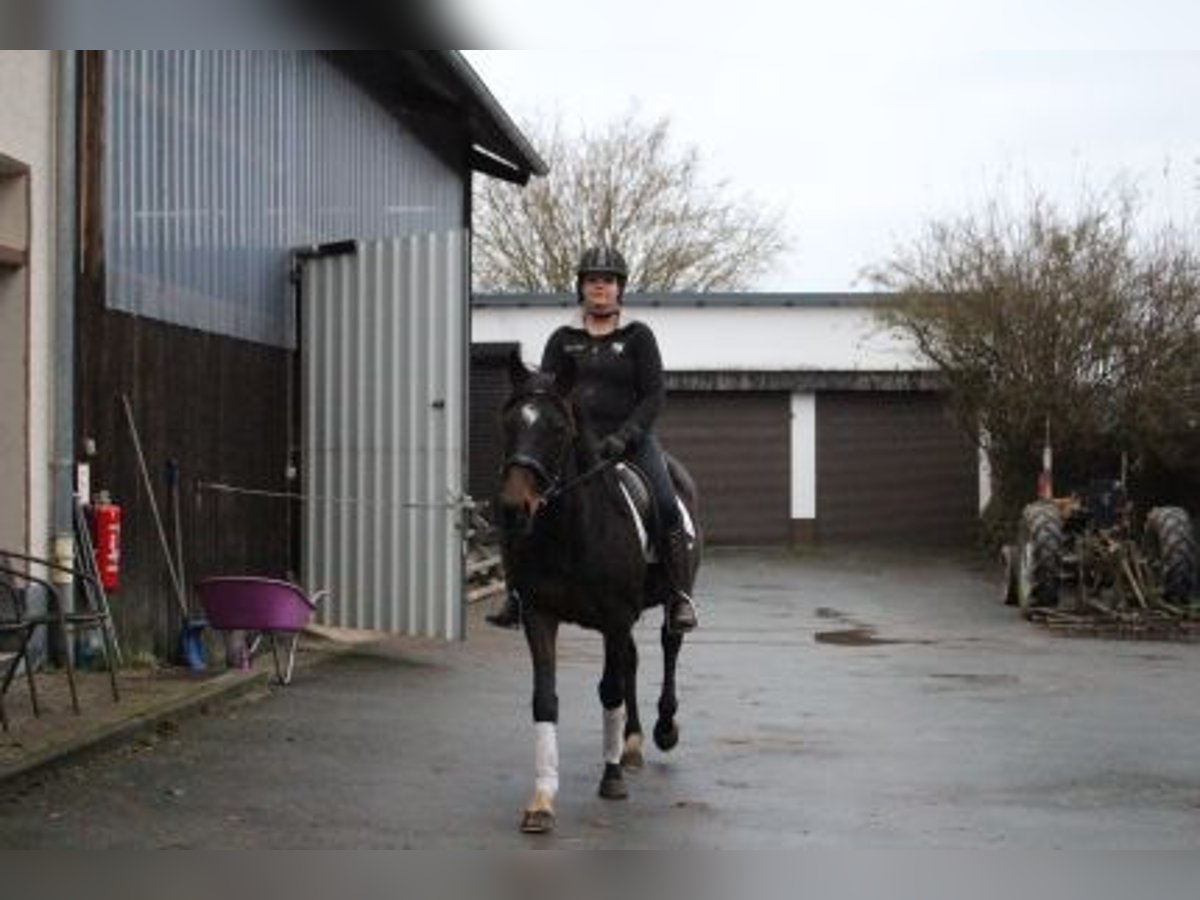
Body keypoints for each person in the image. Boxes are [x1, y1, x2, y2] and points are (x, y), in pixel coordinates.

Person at [488, 245, 699, 633]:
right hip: (575, 446)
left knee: (668, 504)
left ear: (620, 288)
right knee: (518, 504)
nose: (599, 287)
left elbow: (654, 395)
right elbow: (547, 395)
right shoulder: (562, 338)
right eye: (591, 281)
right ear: (581, 288)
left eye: (607, 281)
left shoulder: (638, 336)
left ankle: (678, 597)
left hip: (632, 443)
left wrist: (626, 435)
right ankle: (517, 594)